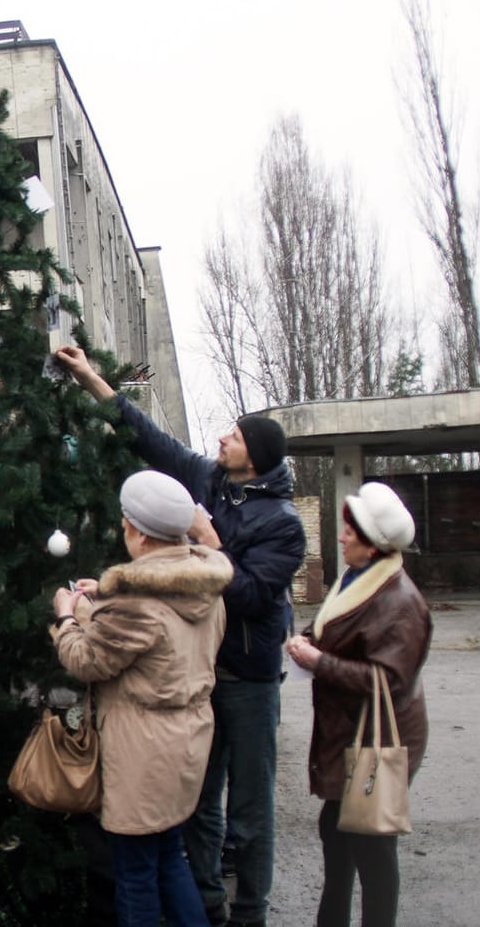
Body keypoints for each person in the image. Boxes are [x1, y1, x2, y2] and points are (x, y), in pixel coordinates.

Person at [55, 345, 305, 927]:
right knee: (193, 811)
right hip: (194, 672)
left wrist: (208, 537)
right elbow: (149, 439)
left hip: (245, 677)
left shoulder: (282, 525)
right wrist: (92, 378)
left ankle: (250, 914)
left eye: (235, 436)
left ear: (258, 457)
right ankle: (208, 907)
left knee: (248, 809)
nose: (222, 440)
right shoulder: (209, 479)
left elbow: (243, 594)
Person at [50, 470, 232, 927]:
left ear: (135, 530)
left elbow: (88, 660)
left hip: (141, 752)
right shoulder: (205, 585)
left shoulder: (135, 603)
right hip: (187, 741)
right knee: (170, 855)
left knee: (134, 873)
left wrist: (67, 617)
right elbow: (153, 639)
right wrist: (103, 599)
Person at [285, 482, 431, 927]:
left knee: (372, 851)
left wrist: (319, 661)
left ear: (374, 544)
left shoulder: (401, 602)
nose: (341, 537)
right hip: (350, 736)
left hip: (377, 740)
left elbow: (389, 680)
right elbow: (338, 625)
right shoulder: (360, 578)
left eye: (350, 531)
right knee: (336, 834)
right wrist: (311, 640)